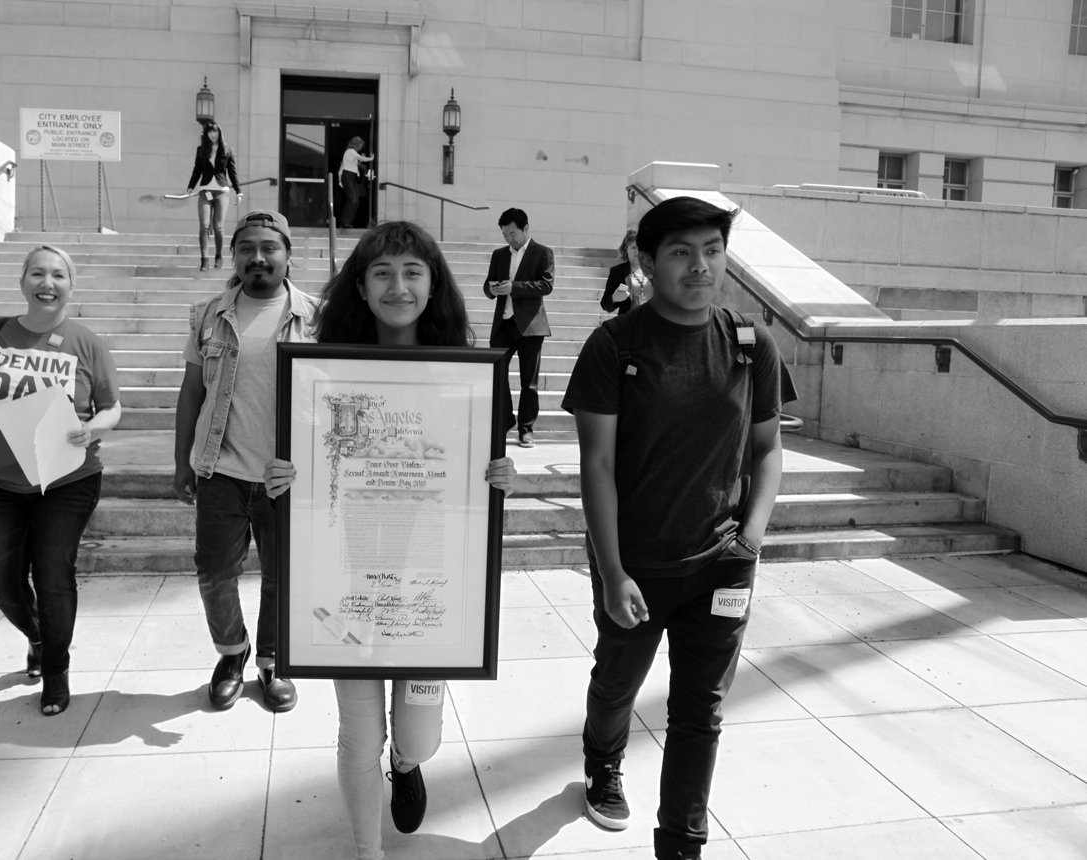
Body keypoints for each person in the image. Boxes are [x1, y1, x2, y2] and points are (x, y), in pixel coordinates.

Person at [262, 221, 515, 860]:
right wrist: (284, 476)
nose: (398, 285)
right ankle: (365, 848)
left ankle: (408, 763)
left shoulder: (468, 374)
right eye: (382, 273)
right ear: (362, 287)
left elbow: (478, 464)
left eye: (412, 272)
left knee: (419, 730)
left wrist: (498, 475)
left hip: (431, 582)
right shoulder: (323, 374)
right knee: (357, 731)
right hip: (347, 577)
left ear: (433, 286)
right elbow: (308, 462)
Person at [561, 197, 796, 860]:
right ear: (647, 259)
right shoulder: (616, 347)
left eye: (712, 251)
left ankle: (682, 846)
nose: (700, 267)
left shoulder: (752, 345)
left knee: (700, 714)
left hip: (722, 565)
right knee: (617, 685)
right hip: (636, 564)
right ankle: (602, 761)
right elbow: (598, 465)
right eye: (682, 253)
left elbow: (768, 448)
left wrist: (751, 532)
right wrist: (610, 573)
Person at [0, 245, 123, 717]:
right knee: (2, 579)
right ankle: (36, 635)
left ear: (71, 285)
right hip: (2, 480)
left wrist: (95, 427)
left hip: (68, 478)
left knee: (52, 574)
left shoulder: (87, 342)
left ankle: (55, 670)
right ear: (23, 281)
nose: (47, 283)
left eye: (58, 275)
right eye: (37, 273)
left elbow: (113, 406)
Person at [172, 209, 316, 713]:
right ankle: (232, 654)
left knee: (283, 575)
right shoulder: (209, 314)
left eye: (269, 247)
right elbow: (192, 393)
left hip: (287, 476)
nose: (258, 257)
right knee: (213, 571)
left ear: (288, 255)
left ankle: (274, 661)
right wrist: (181, 462)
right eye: (246, 247)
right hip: (221, 470)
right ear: (233, 254)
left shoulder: (316, 318)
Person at [482, 207, 554, 448]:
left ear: (525, 229)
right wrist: (492, 289)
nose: (508, 239)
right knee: (497, 378)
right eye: (504, 234)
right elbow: (487, 285)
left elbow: (546, 285)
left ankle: (526, 429)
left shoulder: (543, 252)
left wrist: (515, 287)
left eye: (512, 233)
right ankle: (503, 424)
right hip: (503, 324)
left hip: (531, 325)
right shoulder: (499, 255)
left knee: (529, 383)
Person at [186, 122, 243, 272]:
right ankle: (204, 260)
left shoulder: (227, 150)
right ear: (206, 134)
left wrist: (238, 190)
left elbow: (232, 171)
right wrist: (191, 186)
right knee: (204, 226)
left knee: (218, 226)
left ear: (219, 132)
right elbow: (197, 170)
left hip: (221, 192)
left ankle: (218, 256)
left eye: (215, 131)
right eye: (209, 132)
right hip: (205, 191)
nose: (212, 134)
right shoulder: (201, 150)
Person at [600, 230, 650, 315]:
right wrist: (614, 298)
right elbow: (605, 305)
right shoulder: (617, 272)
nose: (637, 251)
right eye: (633, 247)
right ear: (626, 249)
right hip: (628, 325)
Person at [339, 136, 374, 229]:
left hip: (352, 176)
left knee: (356, 201)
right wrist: (371, 158)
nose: (360, 147)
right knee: (352, 200)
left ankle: (348, 222)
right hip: (348, 176)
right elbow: (360, 158)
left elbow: (355, 164)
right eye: (360, 145)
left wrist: (361, 159)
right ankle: (345, 222)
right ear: (355, 144)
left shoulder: (351, 153)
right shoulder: (350, 151)